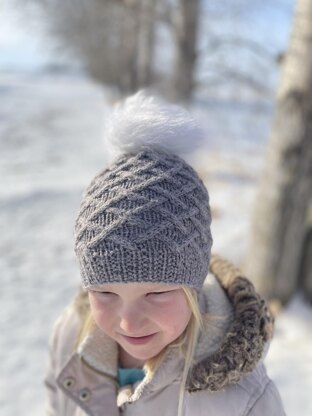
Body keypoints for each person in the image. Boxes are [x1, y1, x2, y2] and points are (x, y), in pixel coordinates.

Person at [44, 93, 286, 416]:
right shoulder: (73, 335)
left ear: (193, 282)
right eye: (105, 292)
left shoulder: (243, 400)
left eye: (156, 292)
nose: (129, 321)